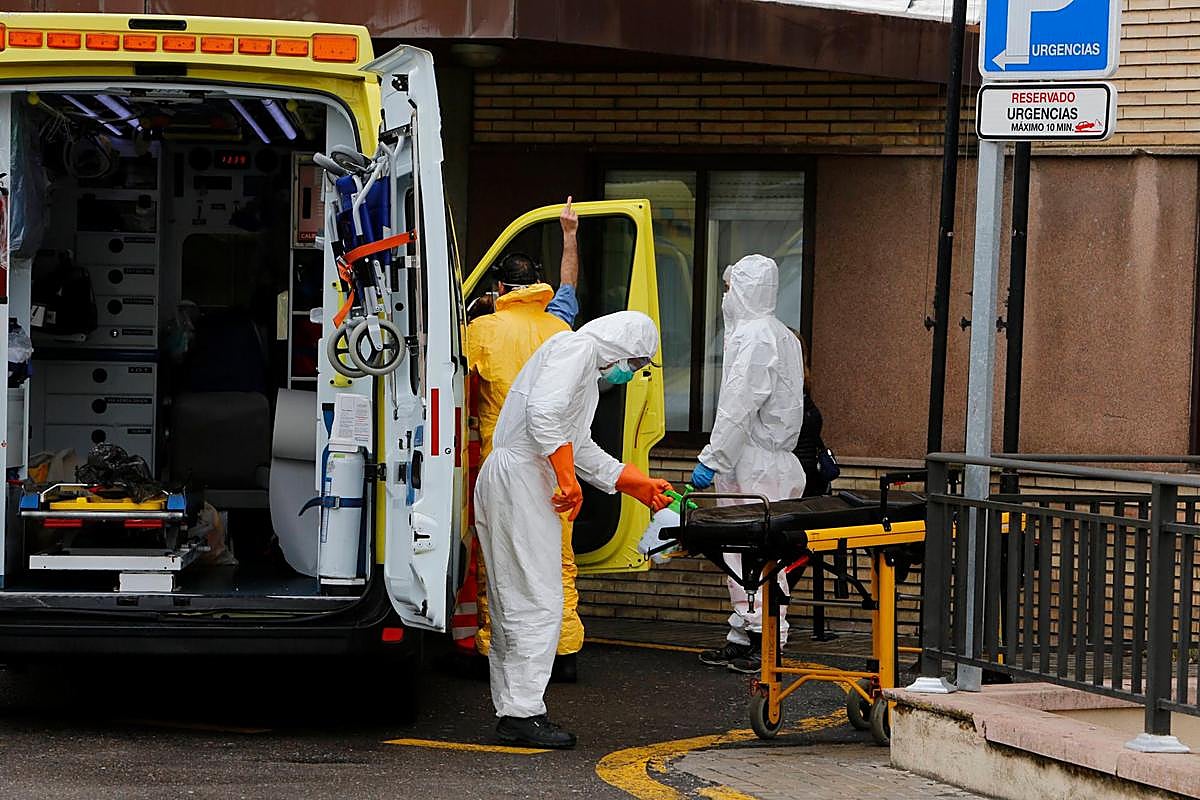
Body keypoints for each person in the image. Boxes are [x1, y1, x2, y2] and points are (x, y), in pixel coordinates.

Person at [474, 310, 672, 748]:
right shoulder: (577, 350)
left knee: (516, 598)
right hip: (523, 478)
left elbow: (578, 444)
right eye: (636, 364)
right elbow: (545, 417)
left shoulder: (578, 361)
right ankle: (522, 712)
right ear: (622, 346)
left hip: (518, 476)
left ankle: (516, 708)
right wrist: (566, 479)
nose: (631, 373)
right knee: (539, 599)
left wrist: (636, 484)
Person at [464, 199, 587, 682]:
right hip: (557, 466)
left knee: (502, 561)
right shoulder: (560, 327)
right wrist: (569, 235)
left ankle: (499, 649)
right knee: (558, 560)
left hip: (503, 465)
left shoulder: (481, 331)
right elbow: (570, 285)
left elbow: (466, 398)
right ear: (538, 287)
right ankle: (565, 650)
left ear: (499, 288)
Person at [690, 254, 806, 675]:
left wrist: (712, 457)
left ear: (742, 289)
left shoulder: (756, 337)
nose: (725, 296)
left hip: (756, 462)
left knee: (758, 555)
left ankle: (767, 639)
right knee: (740, 554)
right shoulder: (779, 335)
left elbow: (739, 404)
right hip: (763, 459)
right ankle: (744, 633)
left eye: (728, 287)